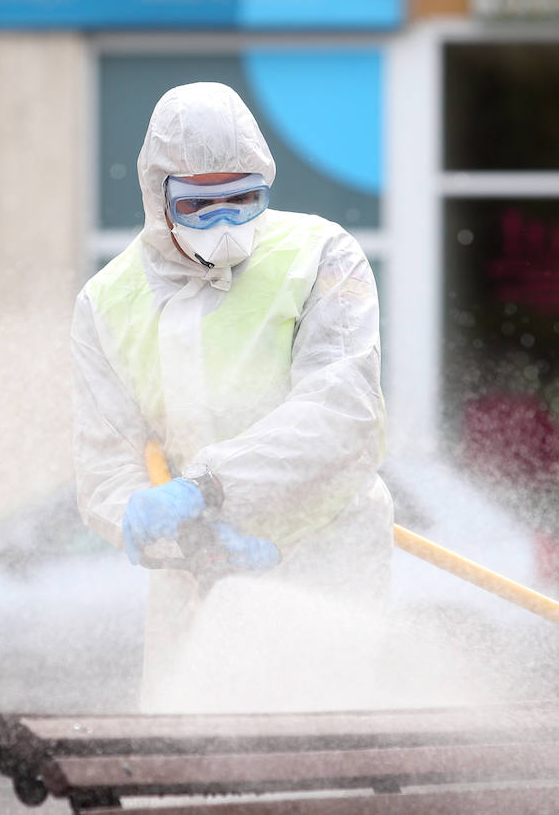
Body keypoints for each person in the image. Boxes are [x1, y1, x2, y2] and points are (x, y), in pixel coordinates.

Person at [70, 81, 393, 710]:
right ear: (157, 197)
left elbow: (342, 410)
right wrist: (188, 544)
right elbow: (108, 464)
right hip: (198, 574)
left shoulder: (321, 254)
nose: (223, 223)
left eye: (242, 198)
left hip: (329, 552)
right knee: (189, 757)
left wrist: (209, 486)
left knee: (329, 749)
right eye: (199, 205)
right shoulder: (106, 303)